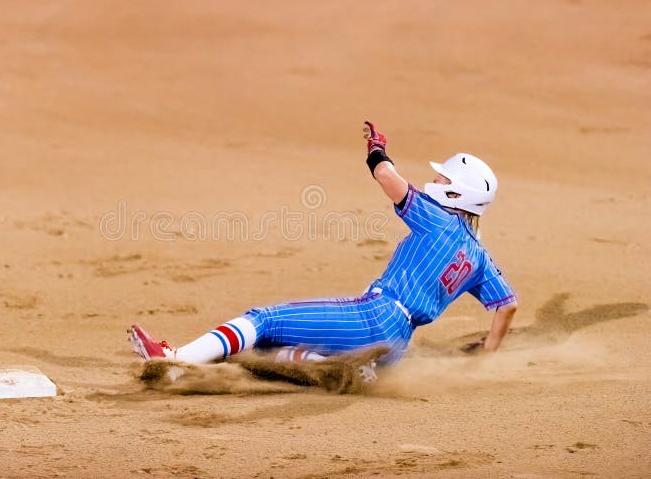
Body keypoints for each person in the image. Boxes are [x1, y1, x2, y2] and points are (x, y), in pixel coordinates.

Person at [128, 121, 518, 372]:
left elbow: (385, 175)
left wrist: (377, 148)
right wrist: (488, 351)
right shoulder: (479, 257)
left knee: (263, 321)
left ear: (456, 190)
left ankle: (172, 359)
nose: (435, 178)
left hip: (374, 317)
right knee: (268, 354)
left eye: (442, 175)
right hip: (396, 344)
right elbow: (507, 305)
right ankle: (332, 368)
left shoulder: (436, 219)